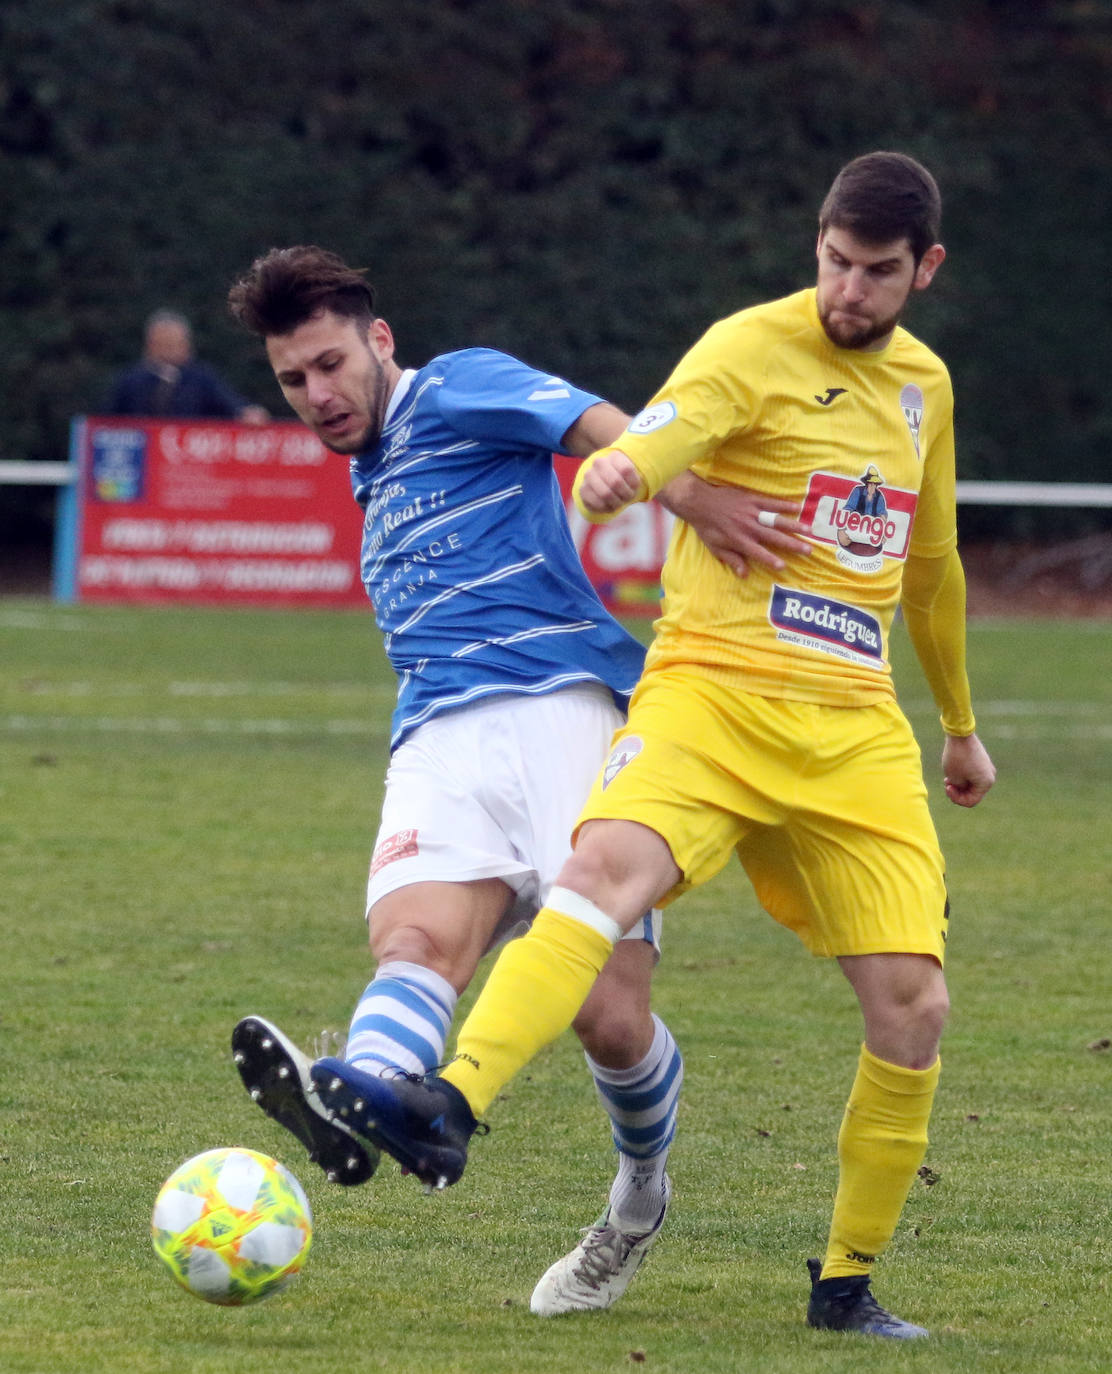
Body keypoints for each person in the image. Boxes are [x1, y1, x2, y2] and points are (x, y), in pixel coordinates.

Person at [309, 152, 998, 1339]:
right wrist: (622, 476)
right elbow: (654, 442)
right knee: (597, 877)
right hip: (709, 694)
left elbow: (929, 569)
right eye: (833, 261)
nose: (847, 290)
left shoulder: (921, 388)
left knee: (912, 1008)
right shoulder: (744, 346)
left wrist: (959, 727)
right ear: (816, 241)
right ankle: (449, 1104)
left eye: (875, 272)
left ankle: (844, 1286)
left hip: (852, 729)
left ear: (922, 269)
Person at [224, 245, 809, 1315]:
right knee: (412, 942)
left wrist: (694, 497)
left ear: (379, 340)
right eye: (292, 379)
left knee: (609, 1018)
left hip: (562, 706)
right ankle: (368, 1095)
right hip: (434, 734)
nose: (316, 394)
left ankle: (638, 1197)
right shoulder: (368, 465)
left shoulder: (457, 385)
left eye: (329, 365)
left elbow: (598, 427)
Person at [105, 309, 270, 422]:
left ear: (187, 345)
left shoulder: (201, 379)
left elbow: (230, 404)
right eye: (163, 344)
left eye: (174, 344)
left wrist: (248, 413)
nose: (169, 351)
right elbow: (106, 420)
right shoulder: (131, 380)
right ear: (149, 345)